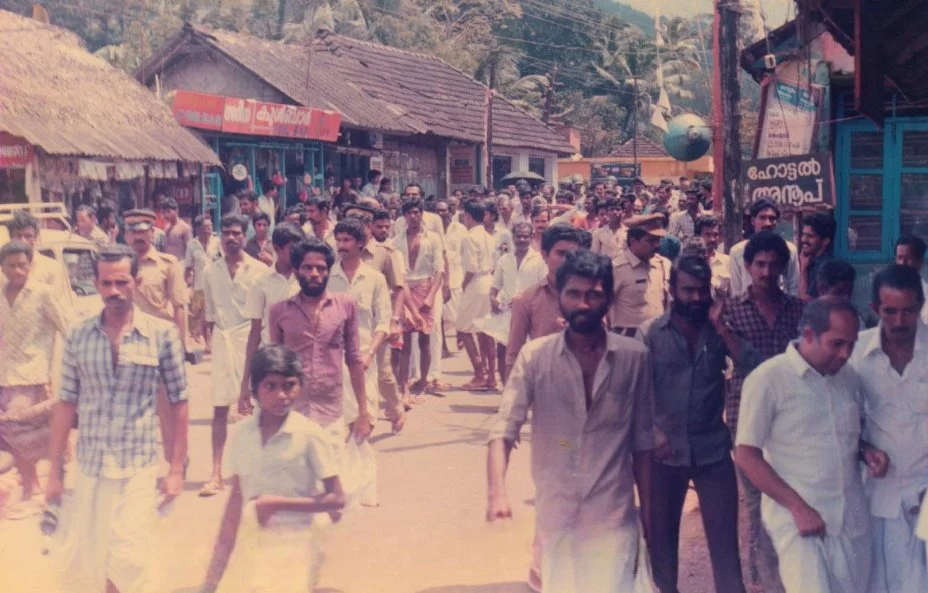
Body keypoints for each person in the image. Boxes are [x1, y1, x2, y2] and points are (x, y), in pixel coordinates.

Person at [487, 250, 656, 593]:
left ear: (608, 299)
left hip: (613, 514)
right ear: (560, 297)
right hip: (558, 514)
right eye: (574, 294)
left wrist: (649, 517)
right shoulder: (536, 358)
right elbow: (504, 429)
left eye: (593, 295)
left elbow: (642, 445)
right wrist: (497, 492)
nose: (583, 304)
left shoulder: (633, 358)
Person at [46, 244, 188, 593]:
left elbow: (179, 401)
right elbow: (65, 405)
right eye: (107, 283)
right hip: (92, 465)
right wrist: (54, 473)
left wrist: (176, 468)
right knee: (98, 556)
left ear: (136, 282)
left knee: (129, 554)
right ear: (96, 284)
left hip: (137, 465)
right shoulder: (78, 336)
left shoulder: (162, 334)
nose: (115, 292)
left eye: (122, 282)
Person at [736, 297, 888, 593]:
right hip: (800, 522)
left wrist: (867, 450)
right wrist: (797, 507)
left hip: (850, 519)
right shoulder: (769, 379)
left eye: (851, 344)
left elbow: (846, 436)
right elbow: (746, 455)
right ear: (808, 334)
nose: (846, 354)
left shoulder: (848, 377)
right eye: (837, 343)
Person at [639, 255, 754, 593]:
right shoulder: (651, 334)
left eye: (702, 291)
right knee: (661, 550)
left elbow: (750, 364)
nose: (695, 298)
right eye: (687, 290)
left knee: (725, 551)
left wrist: (721, 328)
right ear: (672, 289)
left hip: (713, 453)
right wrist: (653, 431)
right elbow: (635, 391)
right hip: (664, 456)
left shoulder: (718, 332)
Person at [202, 344, 345, 593]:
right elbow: (236, 501)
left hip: (298, 542)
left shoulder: (309, 434)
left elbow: (337, 498)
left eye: (289, 385)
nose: (281, 395)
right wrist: (213, 577)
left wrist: (278, 504)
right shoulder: (244, 434)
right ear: (255, 390)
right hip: (255, 540)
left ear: (300, 386)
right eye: (271, 386)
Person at [724, 230, 805, 593]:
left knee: (790, 493)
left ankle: (792, 573)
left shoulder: (799, 311)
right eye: (760, 264)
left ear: (784, 269)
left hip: (793, 419)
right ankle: (764, 580)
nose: (767, 271)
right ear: (748, 266)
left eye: (774, 265)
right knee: (757, 498)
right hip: (746, 415)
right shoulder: (728, 310)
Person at [849, 265, 928, 593]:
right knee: (879, 582)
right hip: (879, 494)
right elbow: (838, 422)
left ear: (922, 304)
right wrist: (865, 450)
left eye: (909, 310)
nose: (899, 321)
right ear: (874, 309)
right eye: (890, 311)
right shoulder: (854, 353)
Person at [267, 238, 374, 466]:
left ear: (328, 271)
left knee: (332, 482)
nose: (314, 273)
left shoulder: (345, 306)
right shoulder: (279, 311)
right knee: (294, 482)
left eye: (321, 268)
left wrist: (363, 413)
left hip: (331, 412)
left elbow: (355, 360)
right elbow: (274, 367)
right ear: (296, 271)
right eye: (307, 267)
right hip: (292, 413)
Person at [0, 241, 72, 519]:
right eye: (10, 265)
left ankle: (34, 493)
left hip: (30, 374)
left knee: (22, 437)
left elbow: (68, 327)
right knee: (12, 437)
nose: (17, 270)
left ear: (31, 265)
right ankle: (31, 489)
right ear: (2, 267)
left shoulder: (42, 294)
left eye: (22, 264)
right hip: (3, 375)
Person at [199, 214, 270, 498]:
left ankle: (261, 473)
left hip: (251, 340)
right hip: (222, 339)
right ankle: (216, 473)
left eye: (236, 233)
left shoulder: (259, 270)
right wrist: (204, 337)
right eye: (226, 233)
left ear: (245, 236)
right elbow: (206, 309)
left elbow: (264, 313)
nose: (231, 238)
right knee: (219, 407)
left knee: (257, 407)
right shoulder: (210, 271)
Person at [328, 219, 393, 505]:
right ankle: (342, 486)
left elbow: (384, 322)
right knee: (338, 425)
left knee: (364, 424)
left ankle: (367, 489)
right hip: (333, 361)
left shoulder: (374, 279)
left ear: (360, 244)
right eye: (338, 241)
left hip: (364, 360)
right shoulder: (328, 277)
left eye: (347, 241)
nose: (341, 247)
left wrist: (369, 355)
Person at [123, 208, 188, 465]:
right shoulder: (117, 264)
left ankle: (177, 462)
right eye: (133, 231)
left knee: (168, 412)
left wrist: (180, 349)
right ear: (125, 234)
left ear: (152, 232)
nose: (139, 236)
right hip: (127, 345)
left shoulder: (167, 264)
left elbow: (179, 306)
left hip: (160, 346)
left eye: (144, 231)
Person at [239, 222, 305, 415]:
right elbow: (254, 334)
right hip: (272, 362)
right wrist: (245, 382)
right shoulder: (261, 283)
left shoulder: (308, 279)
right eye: (292, 248)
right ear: (277, 248)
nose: (298, 253)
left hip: (303, 361)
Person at [478, 222, 546, 386]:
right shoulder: (504, 260)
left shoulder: (539, 260)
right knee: (503, 353)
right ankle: (506, 393)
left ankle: (528, 394)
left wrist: (525, 299)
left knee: (530, 355)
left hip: (532, 312)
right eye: (518, 236)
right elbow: (494, 287)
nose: (522, 239)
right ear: (513, 237)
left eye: (525, 236)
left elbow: (544, 286)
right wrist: (493, 300)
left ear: (531, 237)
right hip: (508, 314)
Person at [393, 199, 444, 401]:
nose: (413, 216)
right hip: (404, 289)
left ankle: (423, 381)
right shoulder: (395, 241)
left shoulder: (433, 239)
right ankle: (404, 386)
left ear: (422, 214)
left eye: (417, 212)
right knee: (404, 343)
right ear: (404, 216)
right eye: (409, 213)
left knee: (425, 340)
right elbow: (397, 274)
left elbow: (439, 271)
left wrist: (431, 297)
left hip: (425, 288)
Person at [456, 200, 497, 391]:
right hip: (489, 280)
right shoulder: (489, 236)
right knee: (485, 331)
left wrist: (462, 286)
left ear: (468, 217)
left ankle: (480, 374)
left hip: (476, 283)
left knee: (463, 329)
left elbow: (471, 268)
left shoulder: (469, 237)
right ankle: (490, 376)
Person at [610, 214, 670, 338]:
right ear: (633, 241)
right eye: (651, 241)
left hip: (659, 336)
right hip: (628, 339)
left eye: (658, 240)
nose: (657, 245)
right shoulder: (616, 269)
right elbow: (604, 307)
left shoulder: (662, 264)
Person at [729, 200, 801, 297]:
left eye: (772, 218)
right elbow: (736, 290)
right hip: (747, 309)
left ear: (777, 222)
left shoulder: (790, 249)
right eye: (762, 217)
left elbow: (794, 286)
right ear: (753, 221)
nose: (767, 223)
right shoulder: (737, 251)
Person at [4, 209, 67, 293]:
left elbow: (58, 302)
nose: (23, 241)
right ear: (11, 238)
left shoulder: (51, 268)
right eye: (18, 236)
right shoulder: (4, 268)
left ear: (36, 237)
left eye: (28, 236)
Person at [185, 215, 222, 350]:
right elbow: (188, 266)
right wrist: (187, 284)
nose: (209, 229)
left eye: (210, 226)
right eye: (206, 226)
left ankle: (210, 342)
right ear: (199, 228)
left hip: (215, 283)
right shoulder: (192, 245)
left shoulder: (217, 242)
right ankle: (203, 339)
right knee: (198, 314)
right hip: (199, 284)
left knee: (211, 314)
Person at [438, 199, 466, 356]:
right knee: (440, 316)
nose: (441, 213)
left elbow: (465, 252)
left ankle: (460, 336)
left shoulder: (460, 229)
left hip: (457, 277)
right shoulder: (432, 229)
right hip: (439, 278)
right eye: (438, 210)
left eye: (444, 210)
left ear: (450, 211)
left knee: (457, 314)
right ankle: (443, 347)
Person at [798, 212, 836, 302]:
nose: (803, 239)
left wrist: (803, 271)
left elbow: (805, 301)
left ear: (825, 241)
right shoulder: (812, 261)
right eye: (803, 234)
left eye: (810, 236)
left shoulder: (825, 267)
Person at [894, 234, 928, 324]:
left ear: (920, 262)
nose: (902, 263)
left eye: (909, 258)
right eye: (899, 257)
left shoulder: (926, 295)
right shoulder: (889, 292)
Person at [696, 215, 731, 298]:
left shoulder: (727, 261)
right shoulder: (690, 262)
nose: (712, 239)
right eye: (707, 235)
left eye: (715, 235)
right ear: (698, 236)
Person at [590, 197, 626, 261]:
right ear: (607, 213)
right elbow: (594, 257)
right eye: (611, 209)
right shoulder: (598, 233)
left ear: (623, 212)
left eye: (618, 209)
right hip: (605, 269)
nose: (615, 212)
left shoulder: (628, 232)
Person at [160, 197, 193, 261]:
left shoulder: (185, 228)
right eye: (164, 212)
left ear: (176, 211)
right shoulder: (166, 227)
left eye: (168, 211)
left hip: (180, 264)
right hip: (167, 263)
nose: (166, 214)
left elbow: (190, 251)